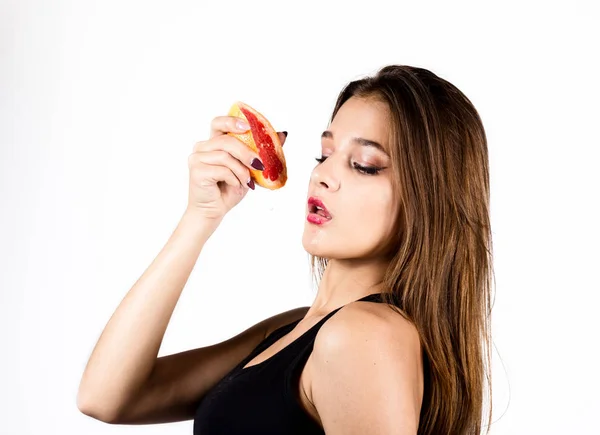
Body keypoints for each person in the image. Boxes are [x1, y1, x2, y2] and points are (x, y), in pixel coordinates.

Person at [77, 64, 494, 434]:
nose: (322, 175)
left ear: (429, 200)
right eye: (325, 153)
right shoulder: (297, 328)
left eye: (364, 164)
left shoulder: (360, 335)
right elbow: (107, 397)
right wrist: (201, 217)